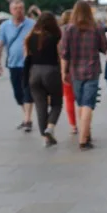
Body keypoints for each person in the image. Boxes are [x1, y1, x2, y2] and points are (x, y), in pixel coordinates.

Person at [59, 0, 107, 150]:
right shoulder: (97, 28)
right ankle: (83, 139)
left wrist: (63, 72)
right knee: (88, 104)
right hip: (92, 70)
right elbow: (105, 48)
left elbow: (64, 54)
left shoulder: (68, 29)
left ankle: (85, 134)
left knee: (81, 103)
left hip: (75, 71)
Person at [0, 0, 35, 131]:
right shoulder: (5, 26)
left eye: (21, 8)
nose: (19, 10)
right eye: (16, 8)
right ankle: (26, 116)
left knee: (28, 91)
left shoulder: (32, 24)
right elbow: (0, 45)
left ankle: (28, 119)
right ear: (11, 10)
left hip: (30, 64)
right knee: (18, 93)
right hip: (13, 64)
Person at [24, 12, 63, 147]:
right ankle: (50, 128)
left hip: (34, 72)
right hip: (51, 71)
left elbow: (27, 57)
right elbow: (60, 56)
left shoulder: (30, 37)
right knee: (57, 103)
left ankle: (45, 138)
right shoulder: (56, 37)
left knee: (41, 107)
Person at [58, 10, 77, 135]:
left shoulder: (58, 32)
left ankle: (73, 125)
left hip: (63, 67)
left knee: (68, 98)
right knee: (81, 97)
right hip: (79, 66)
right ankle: (84, 121)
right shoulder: (78, 30)